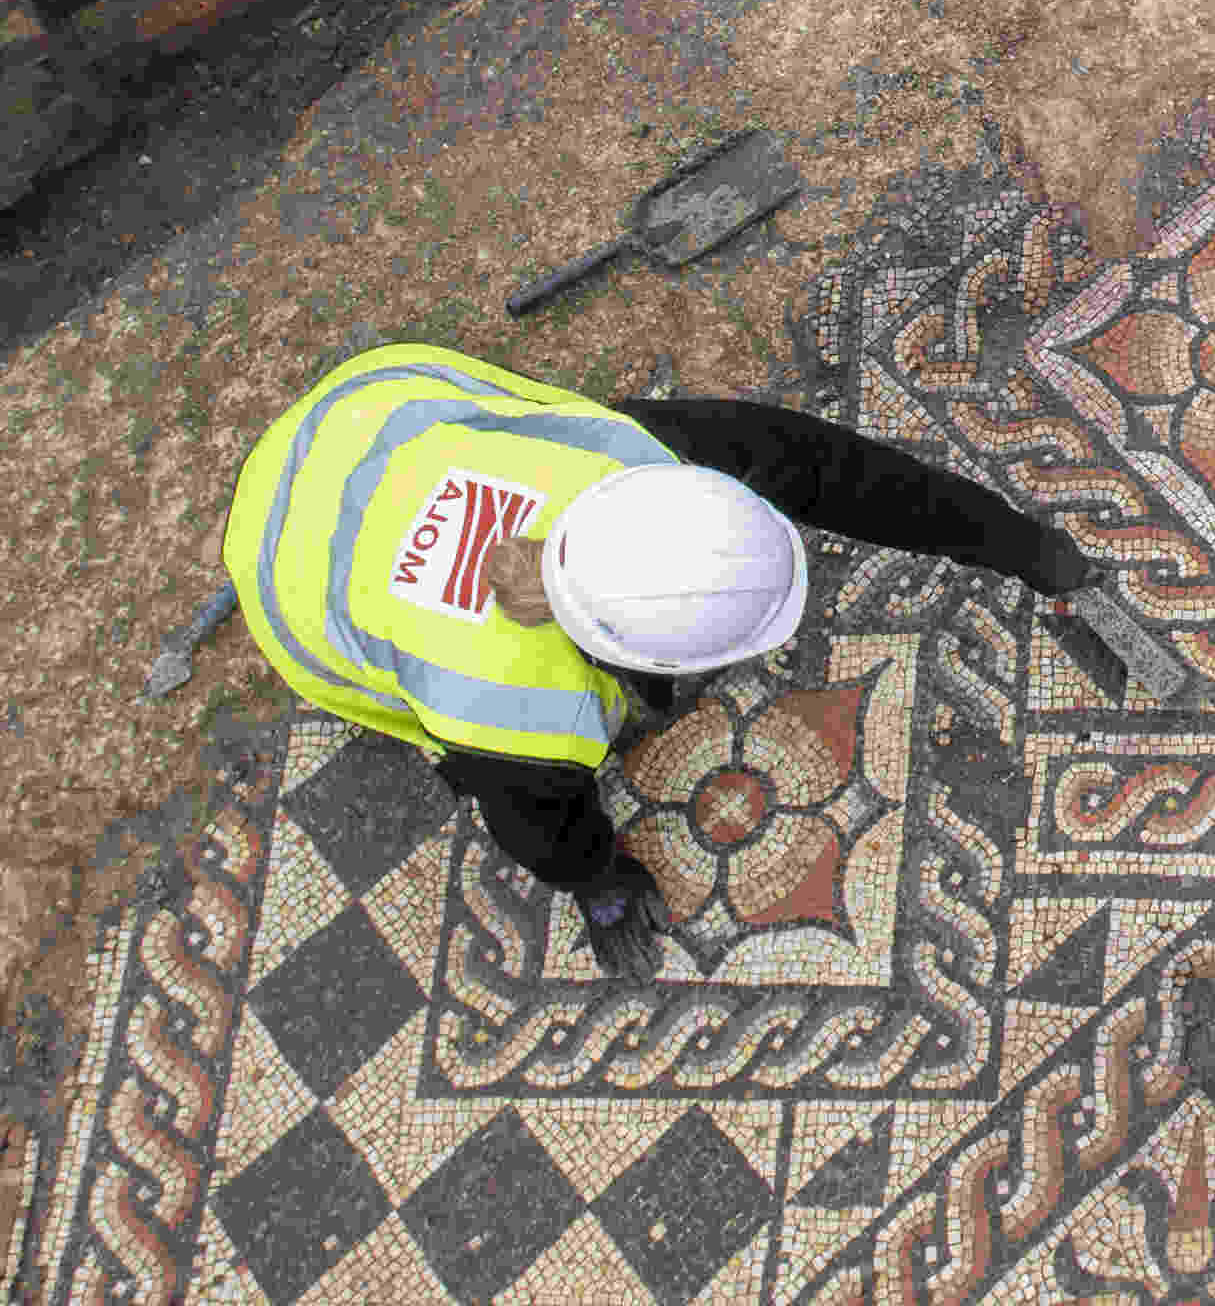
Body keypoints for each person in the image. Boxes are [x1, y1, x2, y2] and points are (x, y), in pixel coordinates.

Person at [222, 341, 1097, 978]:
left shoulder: (641, 459)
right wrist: (602, 882)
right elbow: (540, 834)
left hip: (371, 411)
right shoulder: (520, 717)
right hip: (285, 579)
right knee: (450, 746)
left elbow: (846, 474)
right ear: (626, 664)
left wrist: (1019, 548)